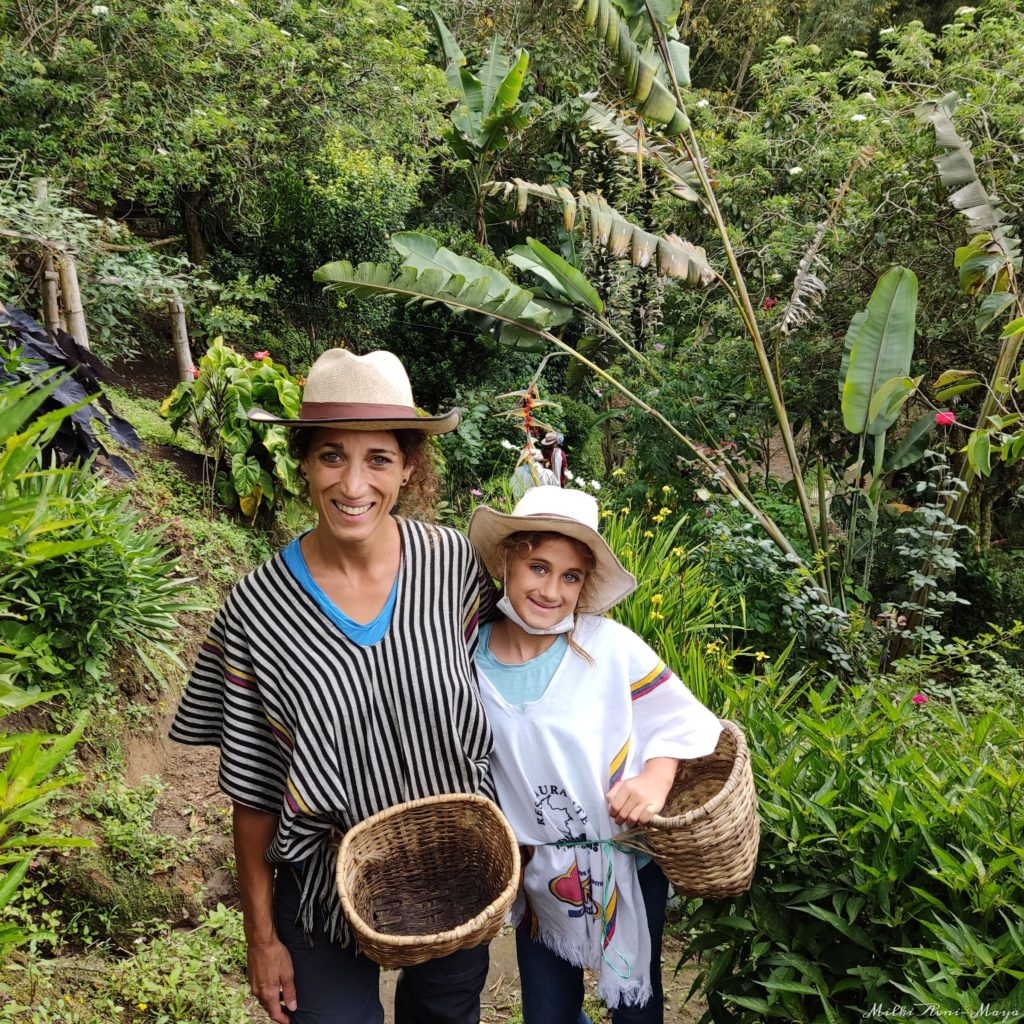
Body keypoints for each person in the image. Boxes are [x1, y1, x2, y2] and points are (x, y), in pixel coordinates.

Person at [170, 348, 496, 1024]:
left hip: (452, 875)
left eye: (378, 458)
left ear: (409, 467)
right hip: (319, 895)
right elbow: (255, 792)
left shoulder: (453, 566)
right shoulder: (257, 609)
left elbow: (515, 690)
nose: (353, 484)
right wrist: (261, 940)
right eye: (330, 456)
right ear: (302, 464)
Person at [466, 487, 722, 1024]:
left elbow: (681, 722)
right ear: (507, 561)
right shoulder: (467, 658)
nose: (551, 590)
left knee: (636, 1005)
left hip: (626, 860)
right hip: (539, 874)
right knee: (548, 1012)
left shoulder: (607, 648)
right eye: (538, 567)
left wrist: (654, 780)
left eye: (570, 576)